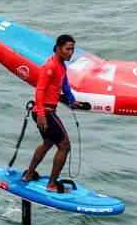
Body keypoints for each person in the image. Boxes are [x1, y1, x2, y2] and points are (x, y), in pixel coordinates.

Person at [22, 33, 91, 193]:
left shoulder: (61, 66)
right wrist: (40, 114)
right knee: (65, 146)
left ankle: (29, 174)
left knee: (48, 143)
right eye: (67, 49)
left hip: (46, 111)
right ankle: (52, 184)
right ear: (58, 48)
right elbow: (39, 89)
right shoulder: (50, 66)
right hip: (44, 111)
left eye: (72, 49)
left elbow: (65, 85)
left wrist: (72, 100)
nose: (71, 52)